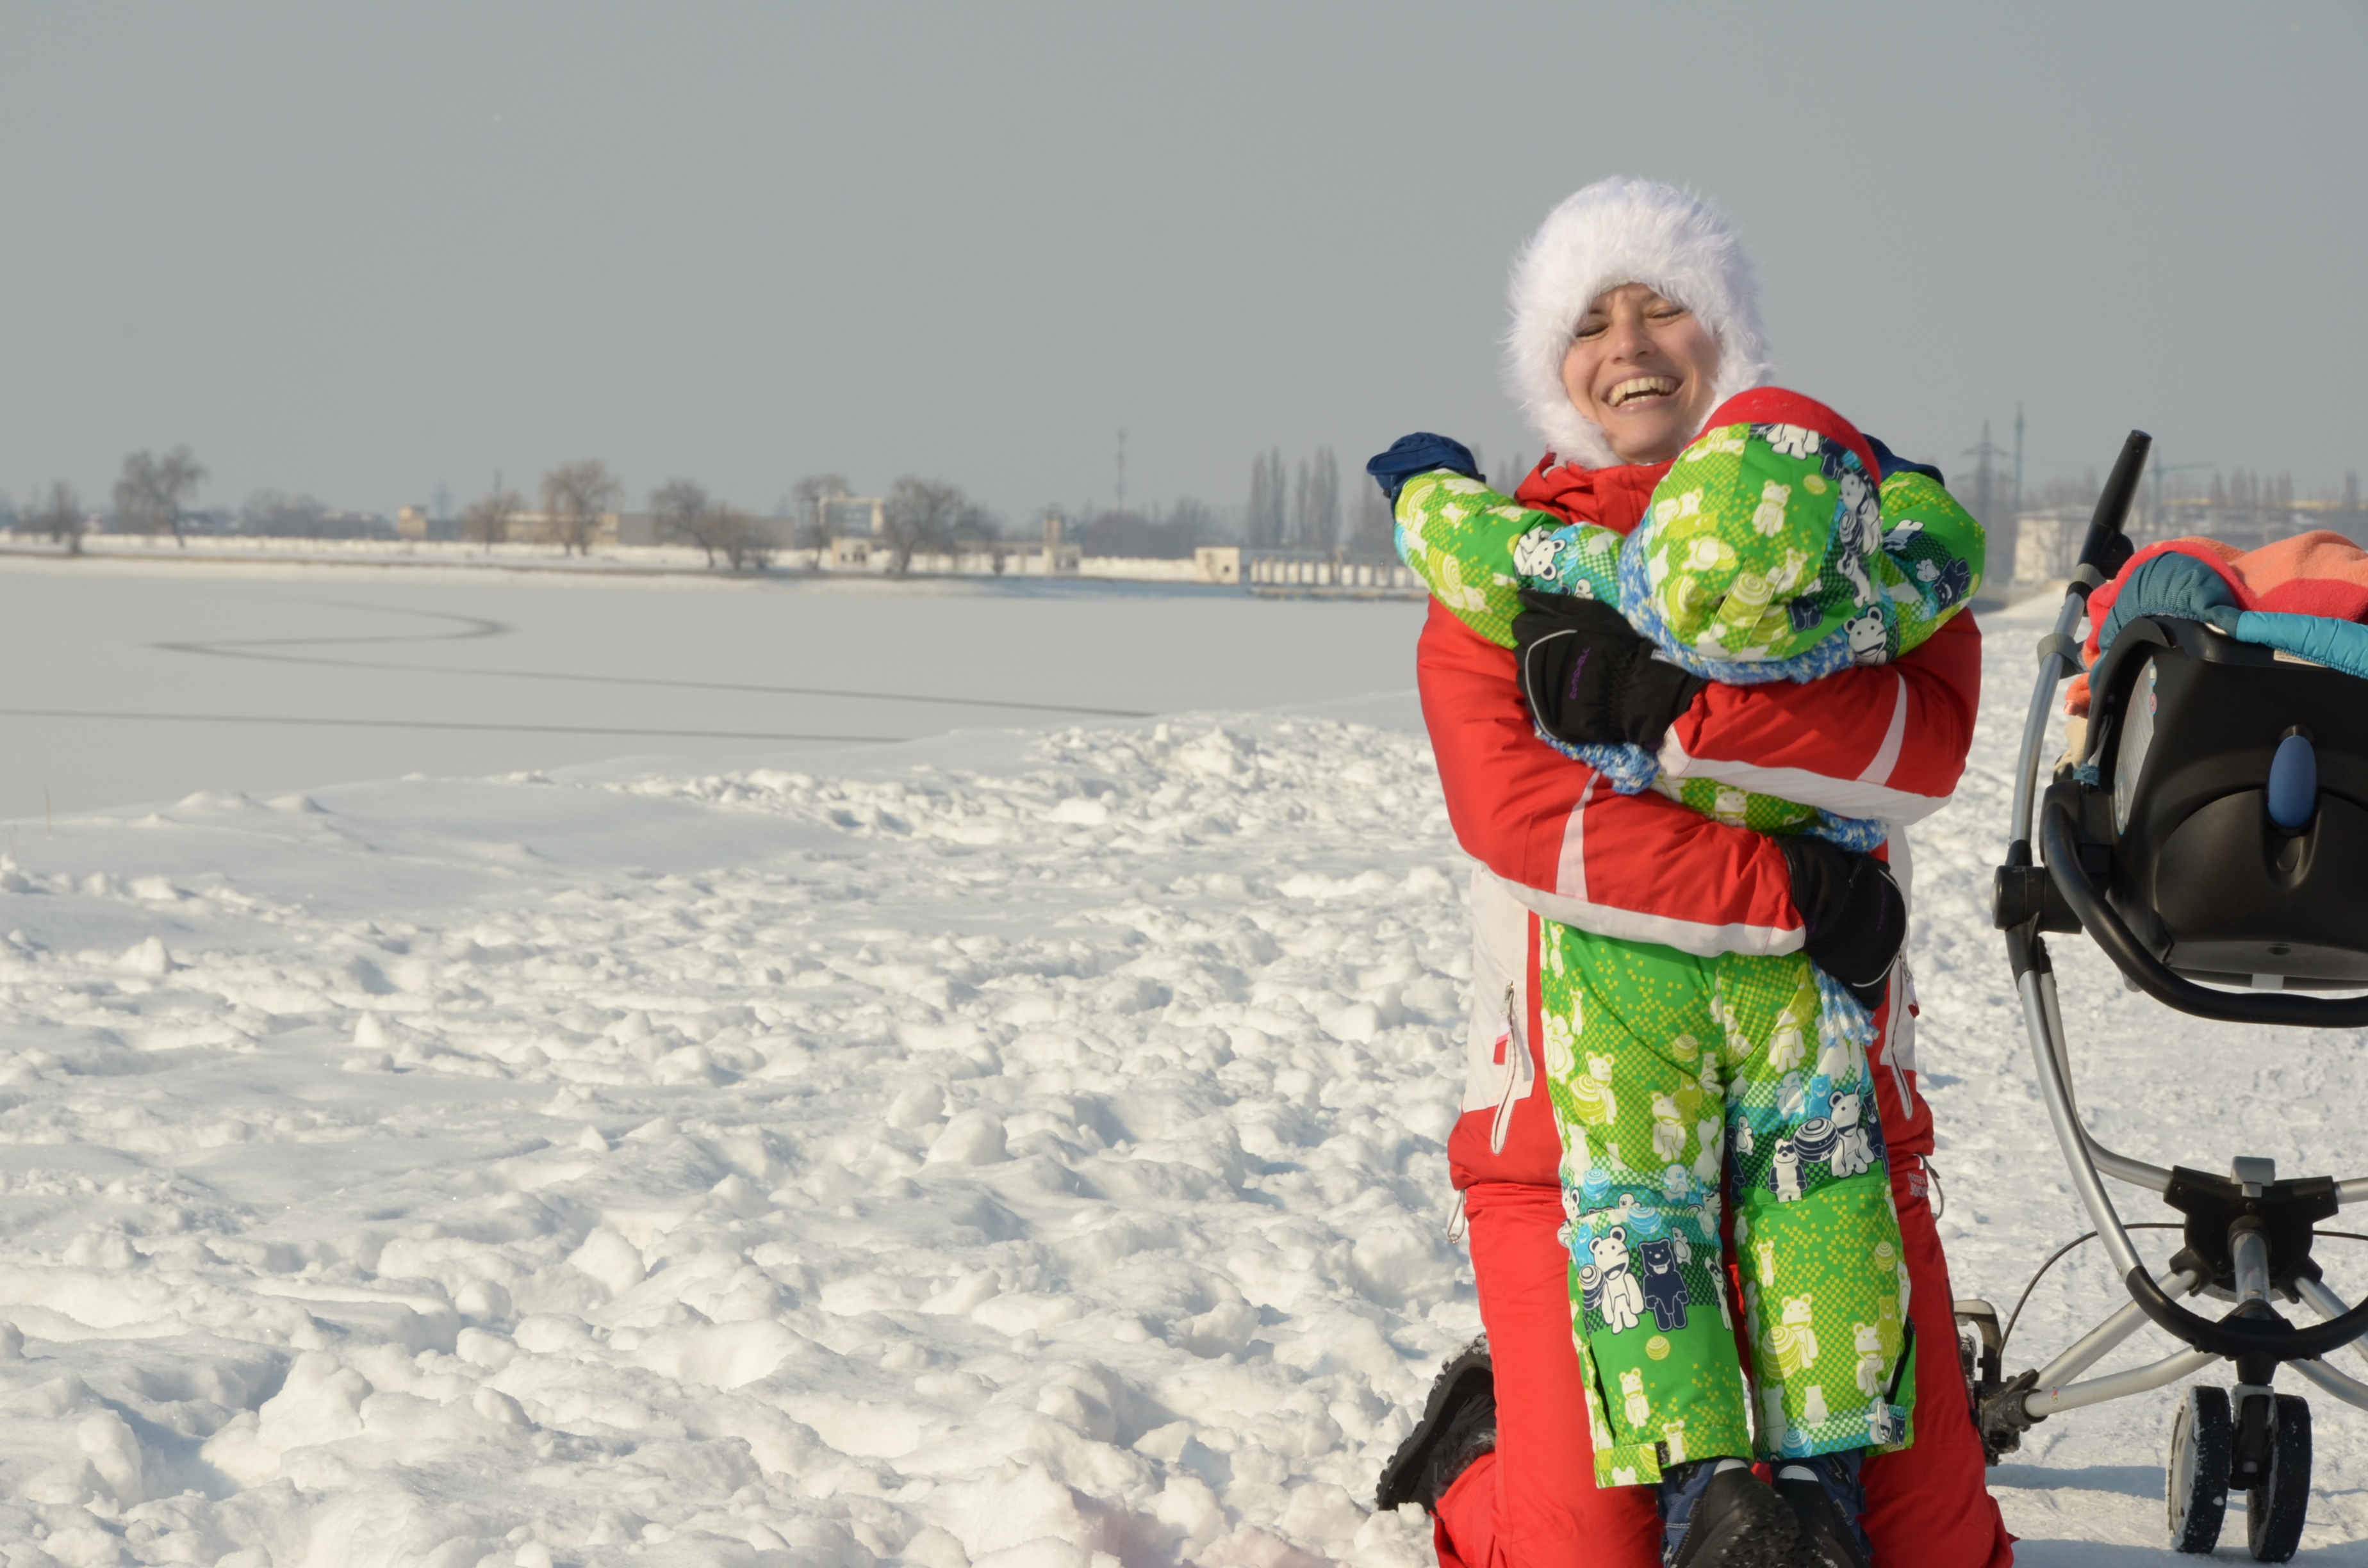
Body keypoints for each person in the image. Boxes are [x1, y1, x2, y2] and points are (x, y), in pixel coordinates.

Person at [1370, 179, 2012, 1568]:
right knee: (1591, 1557)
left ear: (1728, 333)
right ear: (1550, 370)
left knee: (1935, 1555)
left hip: (1834, 1112)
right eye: (1589, 323)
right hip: (1573, 1145)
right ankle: (1480, 1443)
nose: (1630, 346)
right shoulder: (1500, 583)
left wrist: (1656, 714)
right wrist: (1799, 897)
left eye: (1663, 306)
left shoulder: (1853, 545)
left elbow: (1914, 749)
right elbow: (1535, 824)